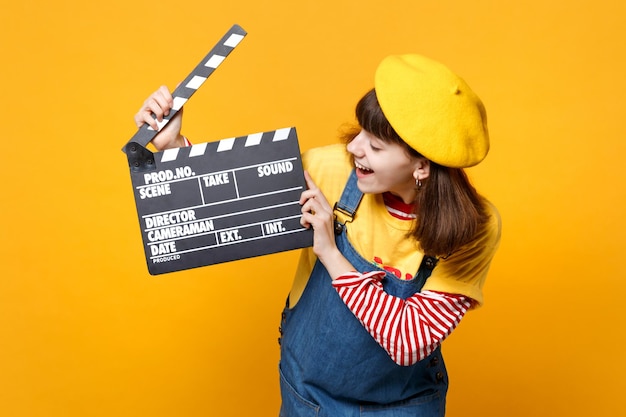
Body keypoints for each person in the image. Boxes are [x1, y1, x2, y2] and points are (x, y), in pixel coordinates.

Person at [134, 53, 501, 416]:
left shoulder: (473, 229)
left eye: (375, 146)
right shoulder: (330, 170)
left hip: (403, 406)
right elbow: (223, 205)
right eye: (361, 133)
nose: (355, 147)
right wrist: (172, 146)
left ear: (421, 166)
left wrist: (330, 253)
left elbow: (408, 340)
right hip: (308, 396)